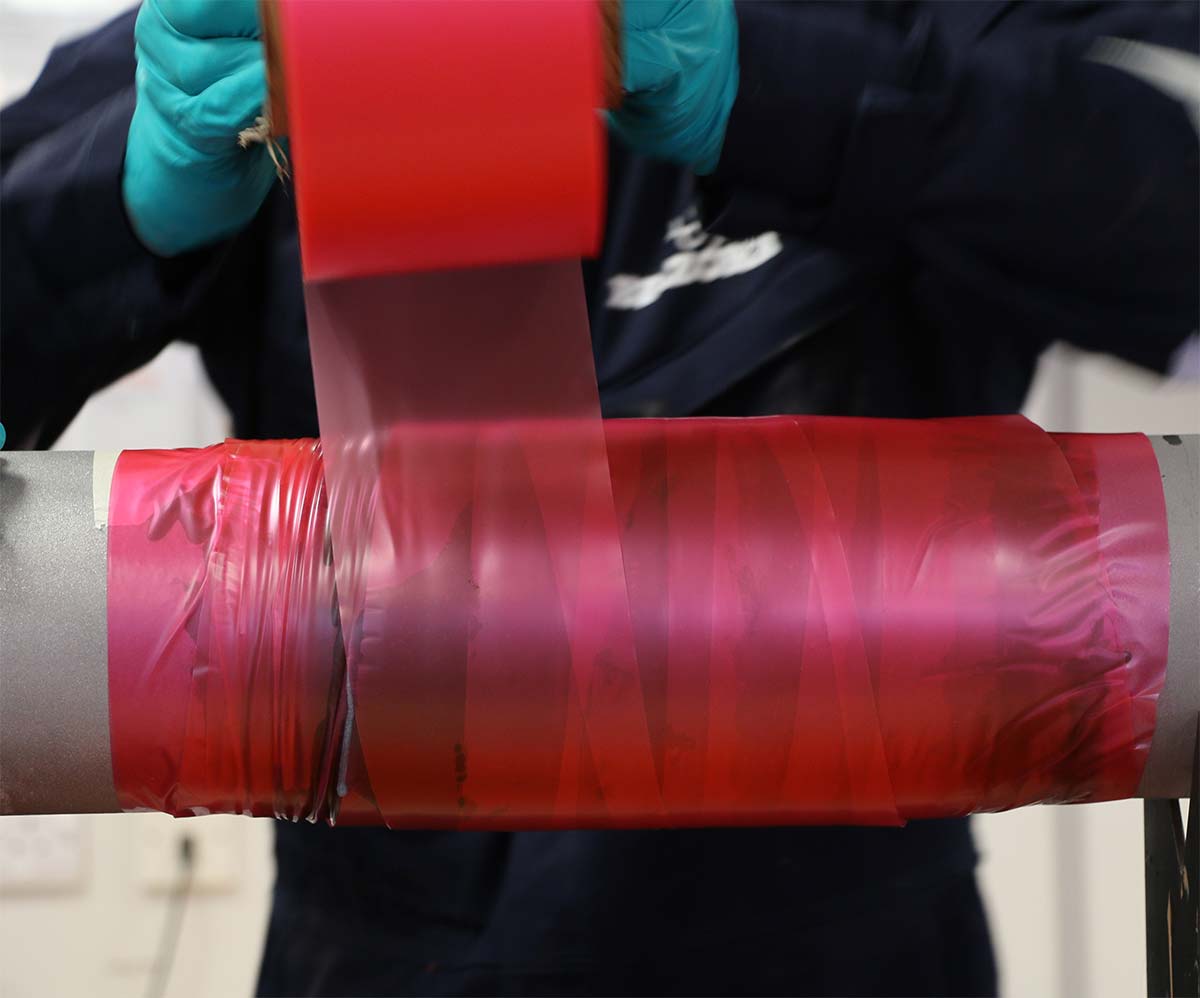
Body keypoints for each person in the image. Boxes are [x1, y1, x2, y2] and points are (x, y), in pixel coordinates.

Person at [3, 2, 1196, 994]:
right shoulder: (260, 33)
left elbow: (1164, 201)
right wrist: (113, 196)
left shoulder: (915, 21)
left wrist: (785, 86)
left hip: (846, 940)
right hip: (387, 942)